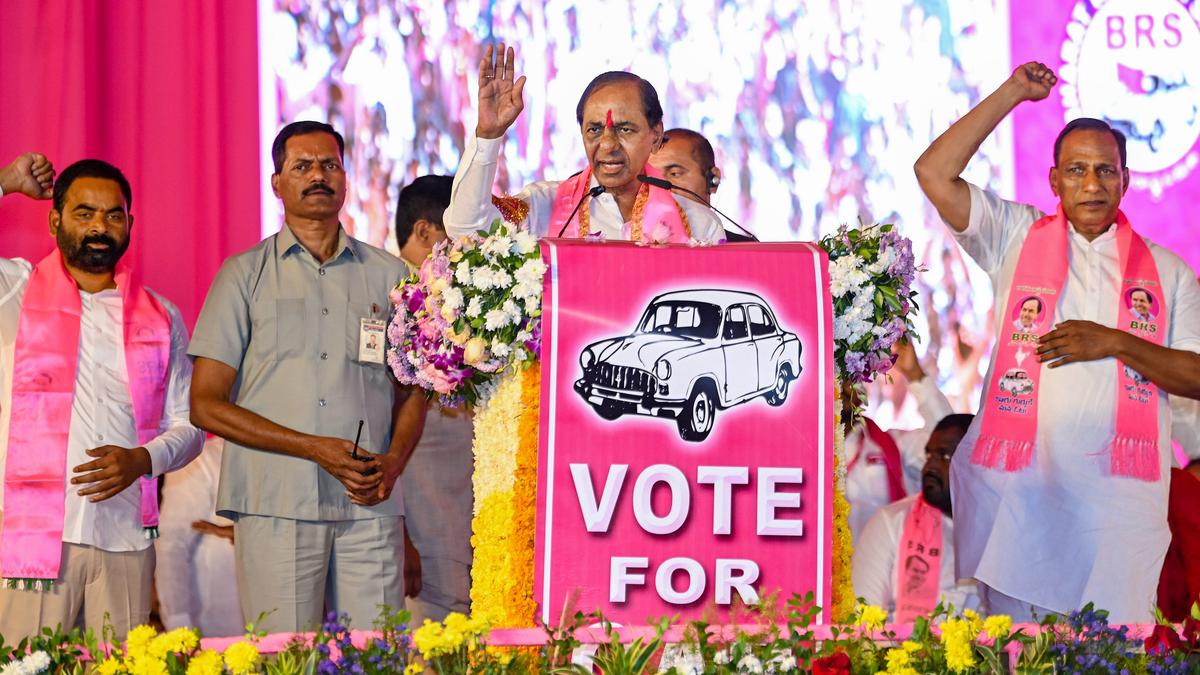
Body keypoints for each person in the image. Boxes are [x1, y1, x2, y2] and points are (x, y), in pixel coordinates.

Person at [914, 62, 1200, 622]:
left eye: (1104, 171)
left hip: (1119, 516)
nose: (1092, 184)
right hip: (1025, 506)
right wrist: (1015, 93)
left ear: (1126, 179)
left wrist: (1114, 342)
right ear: (1053, 181)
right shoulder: (1014, 237)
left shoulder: (1168, 273)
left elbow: (1196, 374)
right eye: (1076, 170)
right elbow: (933, 172)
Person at [189, 121, 426, 632]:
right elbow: (205, 404)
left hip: (369, 504)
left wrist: (393, 462)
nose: (318, 175)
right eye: (302, 166)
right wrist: (313, 447)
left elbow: (414, 394)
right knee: (286, 658)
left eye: (330, 165)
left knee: (378, 657)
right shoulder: (243, 274)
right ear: (277, 183)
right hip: (277, 503)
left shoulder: (391, 277)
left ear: (345, 177)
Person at [0, 154, 203, 640]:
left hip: (125, 540)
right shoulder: (14, 292)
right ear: (54, 220)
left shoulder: (160, 315)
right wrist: (5, 182)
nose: (99, 226)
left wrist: (142, 459)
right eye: (83, 213)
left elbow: (190, 426)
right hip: (30, 540)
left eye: (113, 215)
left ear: (130, 224)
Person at [443, 44, 724, 244]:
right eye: (594, 129)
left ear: (655, 134)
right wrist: (488, 135)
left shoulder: (698, 224)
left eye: (625, 129)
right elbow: (466, 230)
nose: (607, 144)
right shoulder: (547, 206)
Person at [394, 175, 475, 624]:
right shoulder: (393, 302)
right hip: (419, 522)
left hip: (458, 516)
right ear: (426, 231)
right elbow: (378, 429)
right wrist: (400, 531)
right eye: (459, 232)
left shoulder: (452, 303)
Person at [852, 414, 980, 620]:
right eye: (929, 455)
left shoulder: (1000, 533)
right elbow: (863, 622)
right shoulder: (890, 523)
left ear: (978, 464)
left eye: (945, 457)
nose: (929, 466)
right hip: (898, 650)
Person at [844, 341, 954, 540]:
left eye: (849, 378)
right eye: (832, 378)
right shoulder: (795, 452)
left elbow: (949, 444)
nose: (842, 388)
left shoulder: (891, 447)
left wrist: (915, 375)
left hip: (883, 569)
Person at [155, 435, 242, 637]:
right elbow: (171, 546)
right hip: (213, 626)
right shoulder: (199, 457)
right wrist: (178, 623)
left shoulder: (276, 459)